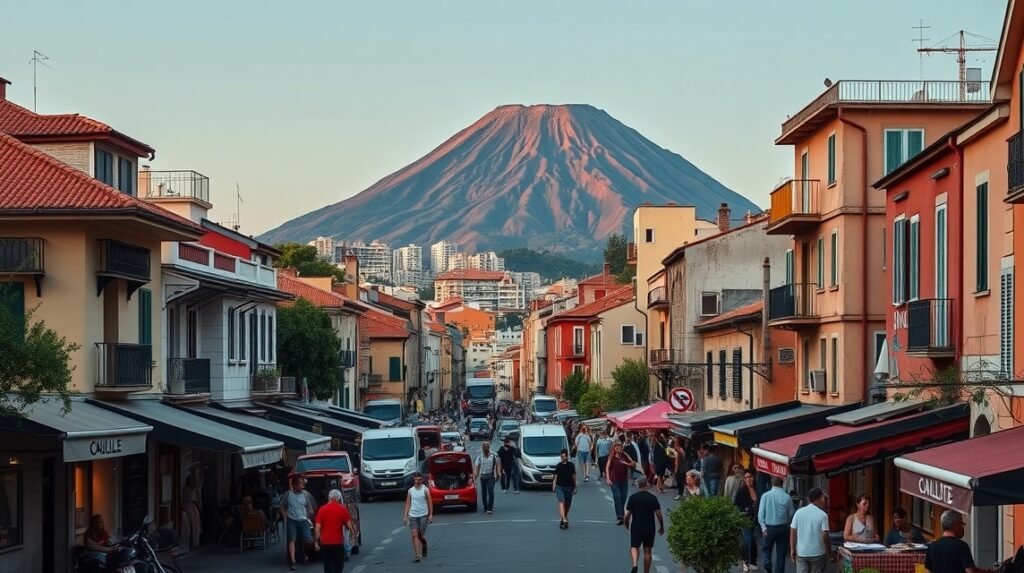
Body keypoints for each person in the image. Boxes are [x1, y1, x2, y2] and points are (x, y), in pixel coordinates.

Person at [925, 510, 991, 573]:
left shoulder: (932, 546)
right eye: (962, 524)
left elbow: (929, 570)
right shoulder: (961, 546)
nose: (963, 527)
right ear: (955, 525)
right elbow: (970, 571)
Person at [624, 477, 665, 573]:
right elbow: (659, 514)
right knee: (647, 551)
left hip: (636, 526)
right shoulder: (652, 498)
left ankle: (635, 565)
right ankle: (646, 572)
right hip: (649, 528)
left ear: (638, 485)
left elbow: (627, 515)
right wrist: (662, 526)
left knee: (634, 546)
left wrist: (626, 524)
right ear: (646, 484)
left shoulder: (633, 498)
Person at [758, 476, 795, 573]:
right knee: (781, 555)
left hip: (769, 527)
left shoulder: (765, 496)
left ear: (771, 484)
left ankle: (767, 561)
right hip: (783, 527)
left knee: (766, 548)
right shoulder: (787, 497)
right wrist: (787, 522)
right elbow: (791, 513)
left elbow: (760, 515)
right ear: (782, 484)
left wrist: (763, 528)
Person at [280, 476, 317, 572]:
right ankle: (293, 562)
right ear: (294, 485)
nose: (303, 485)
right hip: (292, 520)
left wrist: (310, 513)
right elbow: (282, 506)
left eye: (302, 483)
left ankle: (304, 554)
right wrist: (285, 517)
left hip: (304, 520)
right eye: (300, 483)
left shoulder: (306, 495)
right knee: (292, 540)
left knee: (308, 541)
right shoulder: (288, 495)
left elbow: (312, 506)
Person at [790, 487, 831, 573]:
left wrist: (792, 549)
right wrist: (829, 550)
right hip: (818, 553)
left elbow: (793, 532)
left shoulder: (798, 513)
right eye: (823, 498)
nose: (824, 500)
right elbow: (825, 535)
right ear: (818, 498)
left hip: (802, 553)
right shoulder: (823, 515)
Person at [315, 489, 357, 573]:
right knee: (338, 565)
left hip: (325, 543)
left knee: (327, 565)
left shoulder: (322, 510)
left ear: (329, 498)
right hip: (337, 542)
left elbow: (317, 528)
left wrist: (316, 542)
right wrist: (353, 538)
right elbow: (350, 526)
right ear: (338, 498)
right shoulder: (342, 509)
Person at [402, 473, 433, 563]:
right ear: (414, 479)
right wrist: (405, 516)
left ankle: (424, 544)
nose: (418, 481)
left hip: (423, 515)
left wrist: (430, 515)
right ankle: (417, 555)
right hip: (413, 515)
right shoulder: (410, 491)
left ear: (422, 479)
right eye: (416, 479)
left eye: (419, 479)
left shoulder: (425, 490)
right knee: (414, 535)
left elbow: (430, 502)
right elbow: (408, 503)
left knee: (420, 535)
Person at [734, 470, 760, 572]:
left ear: (753, 478)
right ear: (744, 480)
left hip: (756, 519)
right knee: (747, 540)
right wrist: (742, 511)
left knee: (753, 541)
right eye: (746, 477)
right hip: (745, 519)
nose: (748, 479)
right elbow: (736, 505)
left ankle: (753, 562)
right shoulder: (741, 491)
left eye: (750, 477)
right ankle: (745, 562)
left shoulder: (757, 490)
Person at [606, 441, 637, 525]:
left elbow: (633, 464)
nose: (618, 448)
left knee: (623, 498)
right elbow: (607, 467)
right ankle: (620, 515)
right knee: (617, 497)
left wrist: (627, 463)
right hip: (614, 481)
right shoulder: (612, 456)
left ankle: (622, 515)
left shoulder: (625, 455)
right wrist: (608, 478)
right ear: (614, 448)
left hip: (624, 481)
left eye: (619, 446)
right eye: (616, 447)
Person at [553, 449, 577, 529]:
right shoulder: (559, 465)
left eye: (563, 456)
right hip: (560, 487)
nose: (562, 458)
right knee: (561, 501)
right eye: (561, 456)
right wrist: (554, 485)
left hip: (569, 487)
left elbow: (574, 476)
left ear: (567, 456)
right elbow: (555, 476)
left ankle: (565, 516)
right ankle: (563, 519)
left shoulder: (571, 465)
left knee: (568, 503)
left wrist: (575, 486)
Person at [475, 441, 500, 514]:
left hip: (491, 476)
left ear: (489, 447)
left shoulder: (494, 455)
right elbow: (477, 466)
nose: (486, 447)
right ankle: (485, 507)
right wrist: (475, 476)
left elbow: (497, 464)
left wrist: (498, 474)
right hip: (482, 477)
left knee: (491, 491)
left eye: (487, 446)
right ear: (482, 448)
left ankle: (490, 508)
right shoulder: (479, 457)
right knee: (484, 493)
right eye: (484, 446)